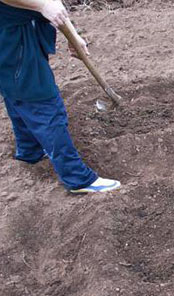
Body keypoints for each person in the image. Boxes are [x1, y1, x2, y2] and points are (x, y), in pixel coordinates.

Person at [0, 0, 120, 193]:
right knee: (45, 105)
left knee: (18, 94)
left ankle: (30, 152)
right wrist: (41, 6)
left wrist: (72, 35)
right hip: (11, 39)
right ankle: (78, 178)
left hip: (17, 36)